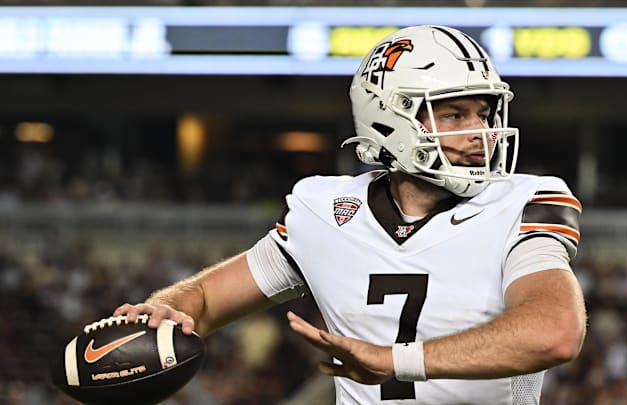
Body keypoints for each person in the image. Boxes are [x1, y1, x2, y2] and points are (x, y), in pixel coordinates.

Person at [115, 25, 587, 404]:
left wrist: (395, 360)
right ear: (392, 120)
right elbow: (204, 298)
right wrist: (169, 310)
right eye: (455, 115)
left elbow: (555, 333)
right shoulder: (325, 211)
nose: (480, 133)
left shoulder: (523, 201)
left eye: (483, 114)